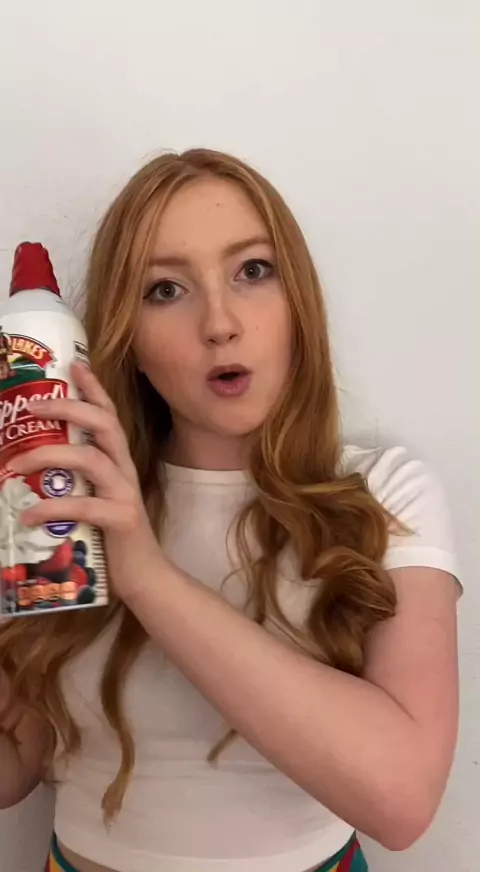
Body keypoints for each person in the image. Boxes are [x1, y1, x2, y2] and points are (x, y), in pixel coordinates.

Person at [0, 149, 460, 872]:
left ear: (298, 302)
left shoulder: (385, 493)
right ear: (128, 339)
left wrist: (147, 576)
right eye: (165, 289)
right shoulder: (69, 506)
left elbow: (402, 801)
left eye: (253, 270)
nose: (219, 322)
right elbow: (13, 769)